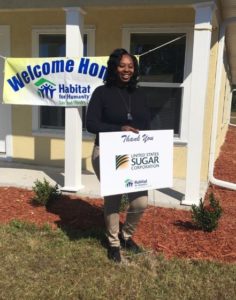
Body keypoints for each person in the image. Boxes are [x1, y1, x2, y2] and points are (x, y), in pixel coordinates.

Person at [86, 48, 150, 263]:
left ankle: (126, 236)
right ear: (114, 67)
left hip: (133, 154)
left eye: (130, 66)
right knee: (113, 198)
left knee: (140, 201)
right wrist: (118, 129)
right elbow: (91, 124)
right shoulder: (101, 93)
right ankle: (113, 243)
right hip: (106, 152)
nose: (126, 70)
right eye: (122, 65)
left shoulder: (139, 94)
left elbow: (146, 124)